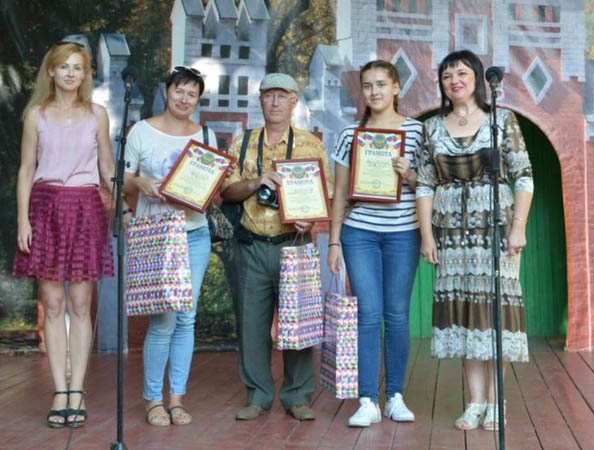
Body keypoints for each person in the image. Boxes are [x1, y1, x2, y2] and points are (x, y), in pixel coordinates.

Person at [415, 50, 533, 431]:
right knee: (466, 315)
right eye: (447, 75)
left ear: (479, 78)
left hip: (495, 229)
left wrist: (519, 226)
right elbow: (424, 183)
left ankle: (497, 401)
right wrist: (427, 234)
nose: (454, 80)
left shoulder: (502, 119)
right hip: (451, 233)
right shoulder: (432, 127)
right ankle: (475, 402)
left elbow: (524, 175)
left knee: (494, 315)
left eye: (462, 73)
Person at [13, 41, 117, 428]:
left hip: (86, 207)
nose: (71, 73)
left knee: (80, 303)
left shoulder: (97, 115)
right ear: (51, 71)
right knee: (53, 304)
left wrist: (130, 191)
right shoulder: (36, 115)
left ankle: (78, 390)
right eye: (64, 67)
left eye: (78, 67)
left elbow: (107, 168)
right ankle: (60, 390)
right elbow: (26, 169)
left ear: (85, 74)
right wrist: (23, 221)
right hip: (45, 207)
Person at [221, 73, 333, 421]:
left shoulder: (310, 146)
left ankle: (297, 395)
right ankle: (258, 395)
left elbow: (324, 195)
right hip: (252, 244)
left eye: (282, 96)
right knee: (251, 324)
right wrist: (257, 182)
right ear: (260, 100)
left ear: (294, 101)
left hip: (293, 243)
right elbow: (226, 192)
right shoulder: (242, 143)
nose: (275, 102)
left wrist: (309, 220)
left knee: (298, 321)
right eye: (269, 95)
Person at [328, 60, 422, 427]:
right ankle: (367, 399)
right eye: (367, 85)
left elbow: (427, 185)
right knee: (368, 313)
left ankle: (395, 396)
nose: (374, 91)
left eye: (381, 84)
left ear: (396, 87)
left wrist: (409, 174)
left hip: (404, 232)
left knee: (396, 314)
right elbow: (339, 192)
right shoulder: (350, 134)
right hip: (359, 233)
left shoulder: (416, 131)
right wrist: (334, 241)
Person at [123, 66, 216, 427]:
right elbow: (121, 181)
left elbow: (211, 188)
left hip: (195, 234)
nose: (184, 99)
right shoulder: (141, 131)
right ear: (166, 91)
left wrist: (213, 184)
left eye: (192, 94)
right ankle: (153, 399)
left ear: (198, 99)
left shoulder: (205, 134)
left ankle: (177, 398)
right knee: (163, 319)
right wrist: (140, 183)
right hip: (158, 233)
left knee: (187, 318)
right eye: (179, 91)